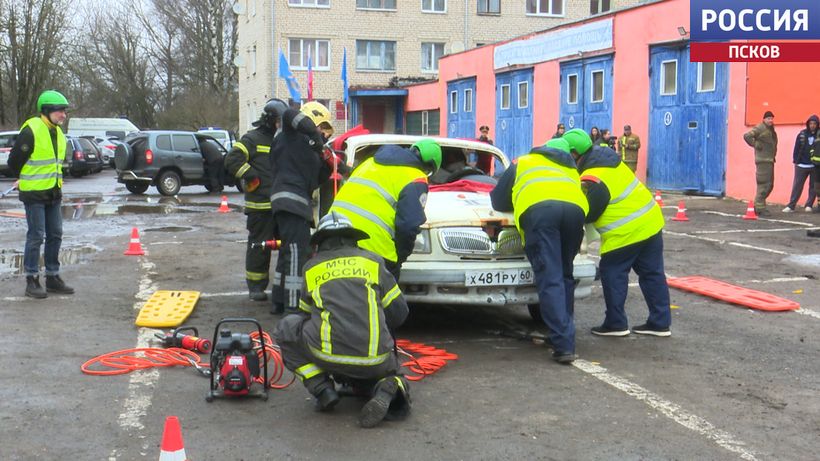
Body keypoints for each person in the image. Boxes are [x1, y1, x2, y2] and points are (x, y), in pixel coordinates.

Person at [274, 211, 411, 428]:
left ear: (320, 243)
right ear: (354, 239)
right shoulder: (373, 262)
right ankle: (388, 385)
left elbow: (303, 316)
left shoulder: (311, 268)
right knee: (395, 375)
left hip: (327, 356)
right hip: (374, 360)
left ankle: (323, 389)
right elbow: (399, 313)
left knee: (286, 328)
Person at [563, 128, 672, 338]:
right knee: (652, 274)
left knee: (612, 272)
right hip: (651, 222)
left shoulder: (593, 176)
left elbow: (589, 212)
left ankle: (616, 323)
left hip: (625, 232)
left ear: (575, 154)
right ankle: (660, 323)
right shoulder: (611, 161)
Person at [490, 138, 588, 364]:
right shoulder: (569, 169)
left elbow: (498, 200)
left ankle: (563, 344)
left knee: (550, 277)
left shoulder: (523, 162)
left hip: (541, 214)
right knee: (564, 275)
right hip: (575, 214)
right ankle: (563, 333)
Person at [329, 139, 441, 281]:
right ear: (429, 168)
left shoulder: (369, 162)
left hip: (332, 236)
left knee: (335, 292)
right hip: (372, 247)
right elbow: (408, 225)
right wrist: (400, 256)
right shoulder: (415, 177)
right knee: (385, 299)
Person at [8, 90, 75, 298]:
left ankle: (53, 277)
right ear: (46, 111)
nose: (63, 114)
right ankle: (32, 279)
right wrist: (24, 177)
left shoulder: (59, 134)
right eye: (60, 111)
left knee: (55, 234)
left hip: (53, 192)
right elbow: (14, 162)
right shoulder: (32, 130)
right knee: (36, 236)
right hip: (34, 194)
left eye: (64, 111)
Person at [269, 101, 334, 314]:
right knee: (298, 253)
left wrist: (327, 165)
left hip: (289, 203)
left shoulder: (308, 149)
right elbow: (289, 113)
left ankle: (278, 300)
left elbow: (314, 181)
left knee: (288, 252)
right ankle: (293, 306)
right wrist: (315, 140)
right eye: (321, 127)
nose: (323, 134)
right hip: (291, 202)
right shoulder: (289, 135)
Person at [225, 98, 287, 302]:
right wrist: (251, 175)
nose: (280, 125)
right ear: (270, 120)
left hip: (280, 204)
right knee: (259, 247)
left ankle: (282, 286)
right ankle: (256, 286)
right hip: (259, 206)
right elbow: (232, 159)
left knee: (285, 246)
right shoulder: (252, 139)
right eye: (278, 121)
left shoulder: (281, 140)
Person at [743, 111, 778, 216]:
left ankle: (758, 205)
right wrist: (755, 144)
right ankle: (759, 208)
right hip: (762, 161)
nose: (770, 120)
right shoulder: (760, 128)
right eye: (768, 119)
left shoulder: (770, 129)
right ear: (764, 119)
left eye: (772, 118)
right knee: (764, 184)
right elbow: (747, 136)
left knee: (770, 185)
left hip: (769, 160)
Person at [783, 114, 817, 213]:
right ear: (808, 124)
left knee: (813, 186)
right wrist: (795, 161)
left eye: (814, 123)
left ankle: (809, 205)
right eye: (811, 123)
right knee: (797, 185)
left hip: (815, 165)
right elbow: (796, 148)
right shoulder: (802, 134)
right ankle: (791, 205)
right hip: (801, 164)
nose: (812, 125)